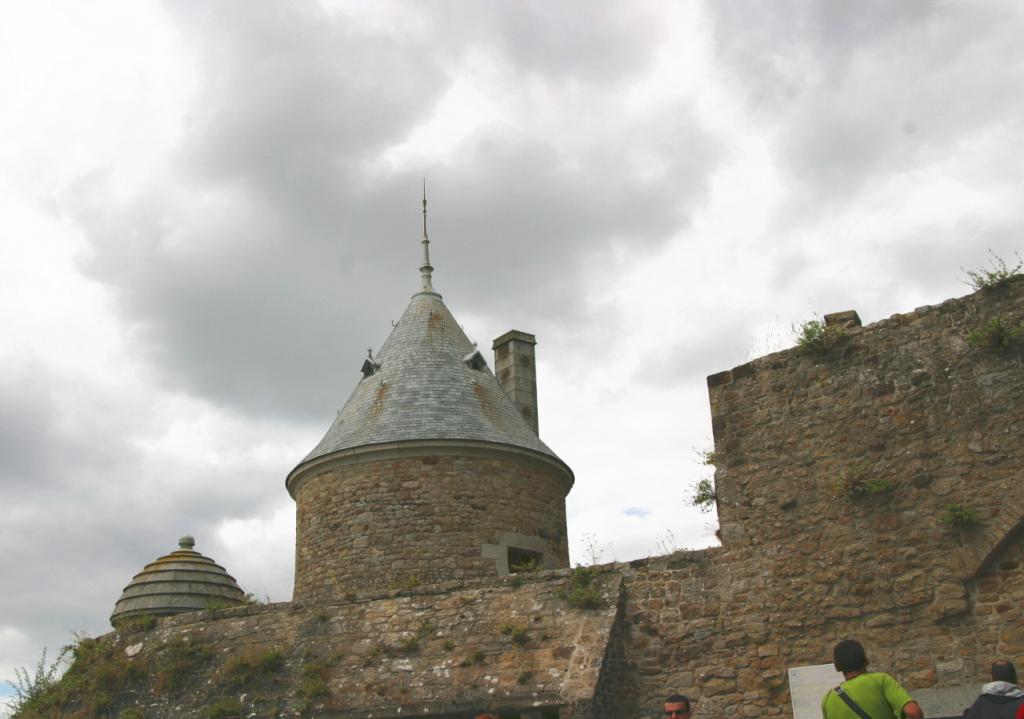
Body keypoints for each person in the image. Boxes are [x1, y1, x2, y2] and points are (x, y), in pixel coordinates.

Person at [821, 639, 923, 719]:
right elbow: (913, 712)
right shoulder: (880, 680)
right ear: (866, 660)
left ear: (837, 667)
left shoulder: (828, 699)